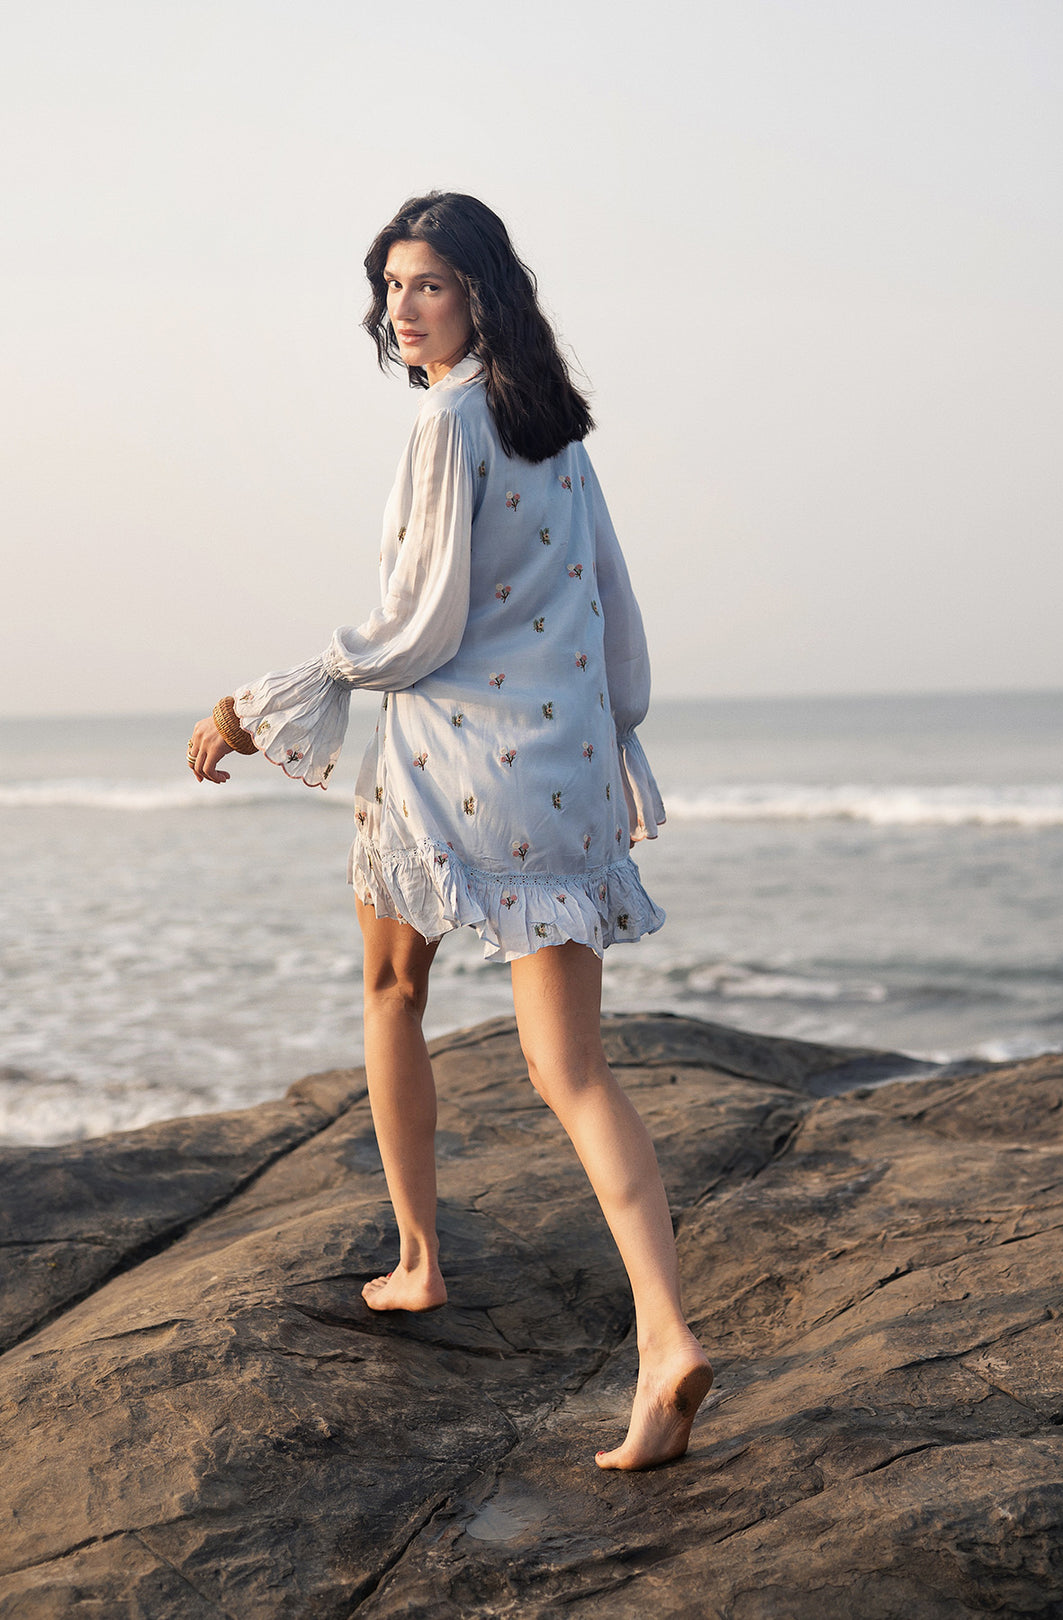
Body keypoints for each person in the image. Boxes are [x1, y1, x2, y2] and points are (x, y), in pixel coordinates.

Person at [188, 192, 711, 1470]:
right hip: (565, 767)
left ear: (482, 293)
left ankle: (419, 1258)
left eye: (425, 284)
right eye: (390, 288)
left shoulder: (449, 420)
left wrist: (261, 705)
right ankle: (666, 1340)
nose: (400, 309)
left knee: (388, 988)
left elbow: (417, 627)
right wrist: (606, 737)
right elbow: (619, 626)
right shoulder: (560, 431)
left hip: (449, 764)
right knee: (573, 1073)